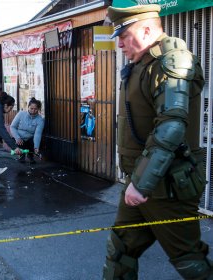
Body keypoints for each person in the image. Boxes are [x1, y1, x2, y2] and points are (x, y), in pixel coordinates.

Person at [102, 4, 212, 279]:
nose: (119, 43)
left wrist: (140, 183)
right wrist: (136, 181)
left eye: (124, 35)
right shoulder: (143, 64)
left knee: (190, 262)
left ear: (148, 30)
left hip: (168, 185)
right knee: (120, 250)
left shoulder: (172, 61)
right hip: (143, 181)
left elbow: (172, 126)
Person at [10, 98, 45, 164]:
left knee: (34, 142)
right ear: (28, 107)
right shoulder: (21, 114)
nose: (33, 111)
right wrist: (17, 137)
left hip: (30, 138)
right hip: (20, 137)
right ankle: (21, 156)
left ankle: (30, 156)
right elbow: (12, 127)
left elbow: (38, 134)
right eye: (31, 108)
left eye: (35, 109)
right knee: (20, 143)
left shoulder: (40, 120)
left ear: (38, 109)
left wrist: (36, 147)